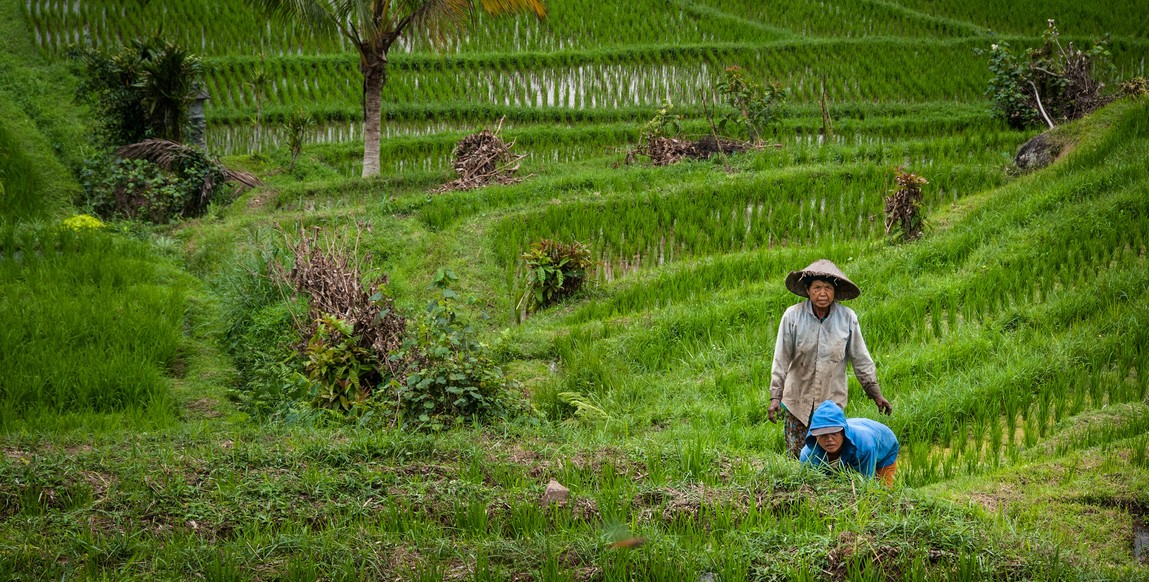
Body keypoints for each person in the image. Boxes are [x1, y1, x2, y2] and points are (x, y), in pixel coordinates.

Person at [767, 259, 891, 459]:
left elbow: (861, 359)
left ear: (835, 291)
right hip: (797, 401)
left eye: (827, 288)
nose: (822, 293)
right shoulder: (792, 317)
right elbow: (781, 359)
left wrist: (875, 393)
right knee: (798, 457)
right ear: (808, 290)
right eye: (817, 288)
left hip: (831, 404)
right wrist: (775, 397)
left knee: (831, 457)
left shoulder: (847, 318)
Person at [800, 400, 899, 486]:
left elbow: (865, 484)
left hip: (884, 444)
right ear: (815, 436)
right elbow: (812, 486)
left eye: (834, 433)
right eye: (823, 434)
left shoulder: (864, 447)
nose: (829, 439)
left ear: (843, 432)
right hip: (860, 435)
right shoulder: (808, 455)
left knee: (881, 491)